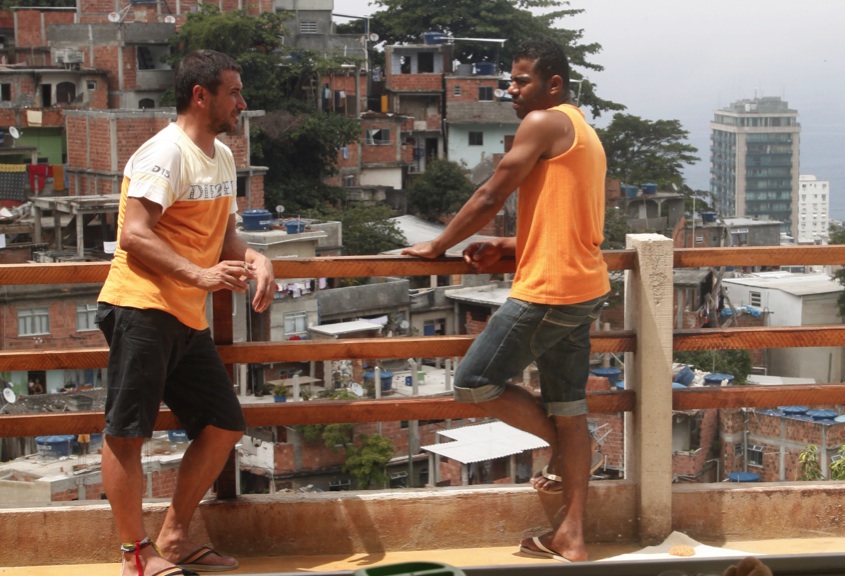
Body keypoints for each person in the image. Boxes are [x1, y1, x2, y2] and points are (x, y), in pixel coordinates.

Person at [402, 38, 610, 563]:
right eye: (509, 80)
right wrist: (512, 245)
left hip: (550, 291)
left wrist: (437, 244)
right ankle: (572, 535)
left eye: (520, 81)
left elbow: (491, 193)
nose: (509, 89)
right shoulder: (583, 130)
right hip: (582, 288)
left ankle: (563, 451)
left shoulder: (543, 123)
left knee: (474, 382)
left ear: (553, 84)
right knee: (569, 408)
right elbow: (573, 224)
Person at [95, 49, 275, 576]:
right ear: (202, 96)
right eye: (234, 92)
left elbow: (224, 238)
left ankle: (173, 539)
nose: (242, 102)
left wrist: (257, 257)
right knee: (127, 432)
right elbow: (133, 234)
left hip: (184, 315)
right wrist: (199, 276)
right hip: (140, 307)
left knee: (222, 423)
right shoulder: (164, 154)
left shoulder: (219, 157)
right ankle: (136, 555)